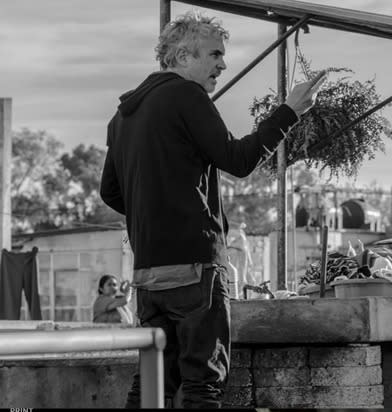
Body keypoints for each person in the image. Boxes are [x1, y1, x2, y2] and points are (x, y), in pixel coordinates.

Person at [99, 10, 325, 409]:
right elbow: (238, 160)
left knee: (152, 384)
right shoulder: (187, 96)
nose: (223, 64)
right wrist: (289, 112)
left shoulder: (122, 116)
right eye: (215, 54)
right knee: (204, 385)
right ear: (183, 56)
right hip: (195, 270)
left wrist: (156, 210)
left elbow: (111, 192)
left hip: (148, 275)